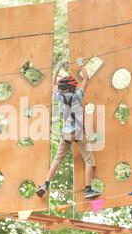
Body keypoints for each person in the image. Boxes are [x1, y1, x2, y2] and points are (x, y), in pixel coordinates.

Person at [36, 60, 101, 199]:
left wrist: (58, 69)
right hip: (78, 133)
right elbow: (86, 78)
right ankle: (88, 189)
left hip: (66, 133)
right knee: (89, 161)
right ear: (73, 88)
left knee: (57, 159)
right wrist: (81, 64)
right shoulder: (78, 96)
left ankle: (45, 185)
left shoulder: (59, 97)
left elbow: (53, 84)